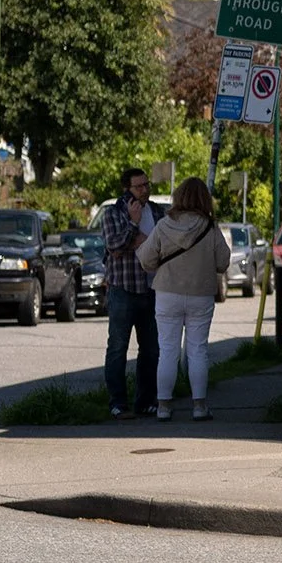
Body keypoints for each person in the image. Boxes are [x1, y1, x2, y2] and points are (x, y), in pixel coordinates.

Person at [140, 179, 231, 420]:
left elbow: (146, 259)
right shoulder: (210, 228)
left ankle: (163, 407)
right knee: (198, 350)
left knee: (167, 350)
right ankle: (199, 406)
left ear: (178, 197)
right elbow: (223, 262)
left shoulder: (164, 225)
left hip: (167, 293)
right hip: (201, 294)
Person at [100, 167, 161, 419]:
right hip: (123, 289)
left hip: (152, 289)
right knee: (117, 347)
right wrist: (135, 226)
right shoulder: (112, 213)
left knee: (151, 350)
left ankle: (145, 401)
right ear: (127, 188)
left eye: (146, 185)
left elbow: (164, 244)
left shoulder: (157, 211)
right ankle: (118, 403)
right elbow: (114, 246)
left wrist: (138, 240)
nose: (145, 190)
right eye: (139, 186)